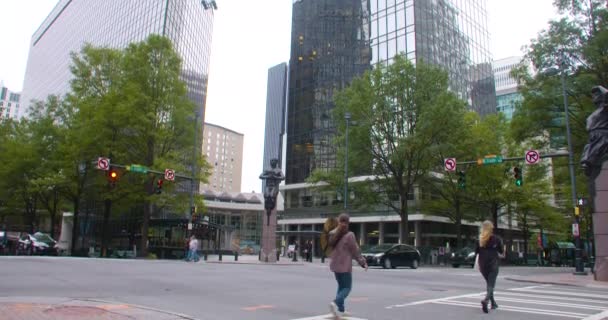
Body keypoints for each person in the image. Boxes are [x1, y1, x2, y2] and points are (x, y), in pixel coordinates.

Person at [328, 213, 367, 319]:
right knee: (347, 288)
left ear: (338, 221)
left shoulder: (332, 233)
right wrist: (363, 263)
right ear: (348, 222)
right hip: (344, 266)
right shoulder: (350, 235)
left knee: (341, 287)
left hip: (335, 265)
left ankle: (341, 310)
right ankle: (335, 303)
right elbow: (355, 251)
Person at [475, 220, 504, 313]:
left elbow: (476, 252)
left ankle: (493, 303)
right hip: (493, 264)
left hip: (483, 264)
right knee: (491, 285)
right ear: (491, 228)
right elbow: (501, 251)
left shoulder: (479, 239)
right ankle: (486, 300)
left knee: (489, 284)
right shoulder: (496, 239)